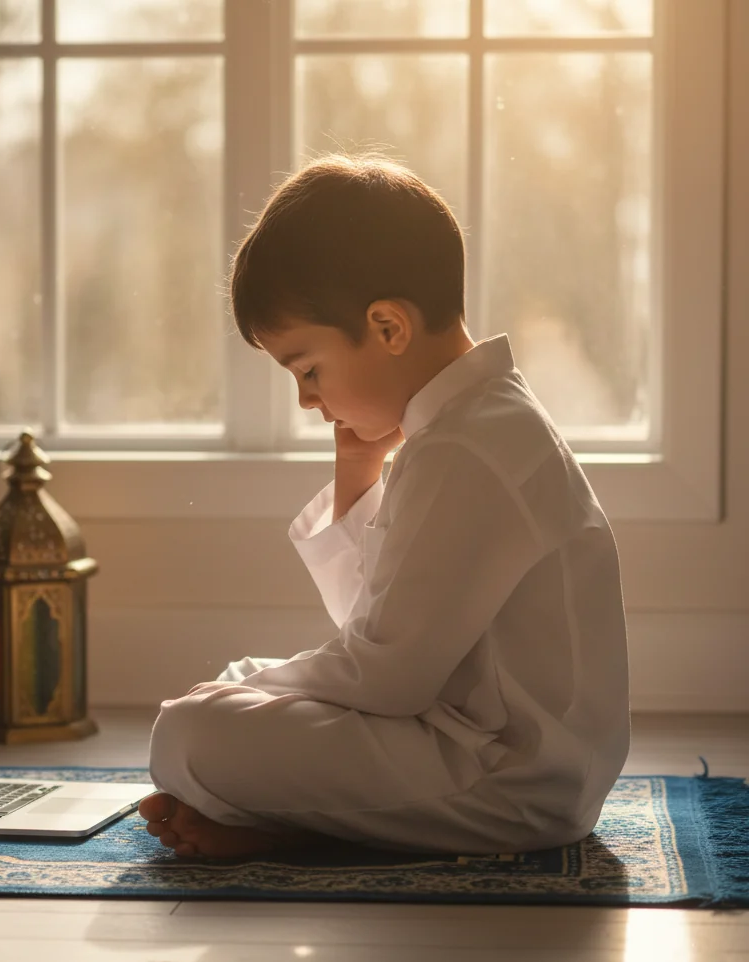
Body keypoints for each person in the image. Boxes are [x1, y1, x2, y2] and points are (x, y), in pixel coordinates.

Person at [140, 155, 630, 859]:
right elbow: (378, 629)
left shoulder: (468, 446)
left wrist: (226, 706)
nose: (308, 400)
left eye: (308, 370)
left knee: (188, 733)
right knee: (235, 684)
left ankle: (278, 829)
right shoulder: (468, 424)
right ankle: (265, 811)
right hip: (486, 745)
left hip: (512, 780)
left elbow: (387, 675)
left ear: (389, 328)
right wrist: (358, 467)